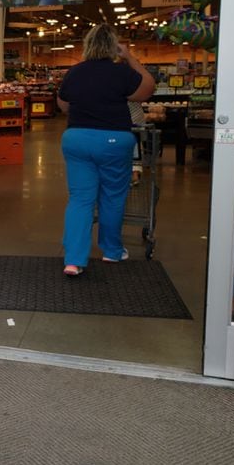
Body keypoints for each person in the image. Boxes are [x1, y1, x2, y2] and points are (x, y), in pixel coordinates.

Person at [56, 24, 156, 276]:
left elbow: (64, 105)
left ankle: (73, 260)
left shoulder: (74, 72)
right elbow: (147, 90)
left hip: (77, 139)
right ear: (113, 46)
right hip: (113, 141)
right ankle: (112, 252)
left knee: (80, 199)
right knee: (112, 197)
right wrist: (129, 57)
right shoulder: (120, 72)